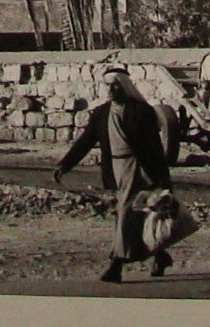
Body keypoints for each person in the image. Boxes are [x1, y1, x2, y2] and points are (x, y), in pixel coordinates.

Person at [52, 65, 174, 283]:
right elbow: (86, 141)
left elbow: (153, 148)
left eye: (114, 84)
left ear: (123, 86)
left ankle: (116, 264)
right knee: (134, 214)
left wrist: (162, 177)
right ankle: (160, 255)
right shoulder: (101, 114)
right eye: (107, 85)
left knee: (126, 212)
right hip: (115, 169)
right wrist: (65, 164)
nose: (110, 89)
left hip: (138, 168)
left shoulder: (141, 112)